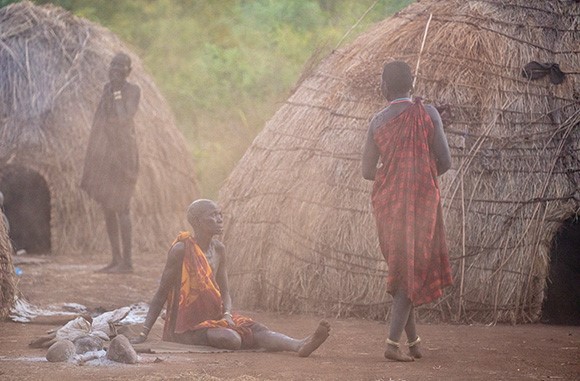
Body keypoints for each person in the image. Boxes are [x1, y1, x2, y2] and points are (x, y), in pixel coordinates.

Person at [131, 199, 330, 356]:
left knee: (254, 328)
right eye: (213, 215)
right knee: (232, 339)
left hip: (215, 317)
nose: (219, 219)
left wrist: (227, 314)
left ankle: (299, 345)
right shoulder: (180, 250)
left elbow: (225, 290)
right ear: (198, 221)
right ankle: (254, 340)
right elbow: (161, 293)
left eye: (220, 214)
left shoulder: (219, 249)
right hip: (185, 327)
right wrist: (143, 332)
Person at [361, 61, 453, 362]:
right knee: (408, 269)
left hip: (389, 204)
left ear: (384, 87)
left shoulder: (377, 121)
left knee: (404, 268)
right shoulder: (428, 114)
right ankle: (391, 343)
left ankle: (413, 342)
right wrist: (421, 174)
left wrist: (395, 176)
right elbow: (445, 161)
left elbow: (366, 170)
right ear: (411, 84)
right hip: (423, 201)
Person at [81, 52, 141, 273]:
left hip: (125, 158)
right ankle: (115, 259)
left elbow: (124, 117)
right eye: (113, 65)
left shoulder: (133, 91)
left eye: (120, 66)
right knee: (108, 207)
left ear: (128, 70)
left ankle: (127, 262)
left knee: (122, 207)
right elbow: (101, 121)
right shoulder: (107, 89)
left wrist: (116, 91)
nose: (115, 69)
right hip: (107, 158)